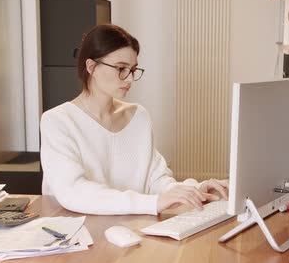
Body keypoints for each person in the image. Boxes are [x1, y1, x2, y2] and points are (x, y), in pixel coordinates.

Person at [40, 24, 228, 215]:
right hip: (76, 233)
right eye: (121, 68)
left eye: (133, 69)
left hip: (131, 228)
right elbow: (73, 192)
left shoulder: (138, 116)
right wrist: (152, 203)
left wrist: (195, 191)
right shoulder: (58, 121)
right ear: (91, 67)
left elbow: (155, 180)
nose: (129, 79)